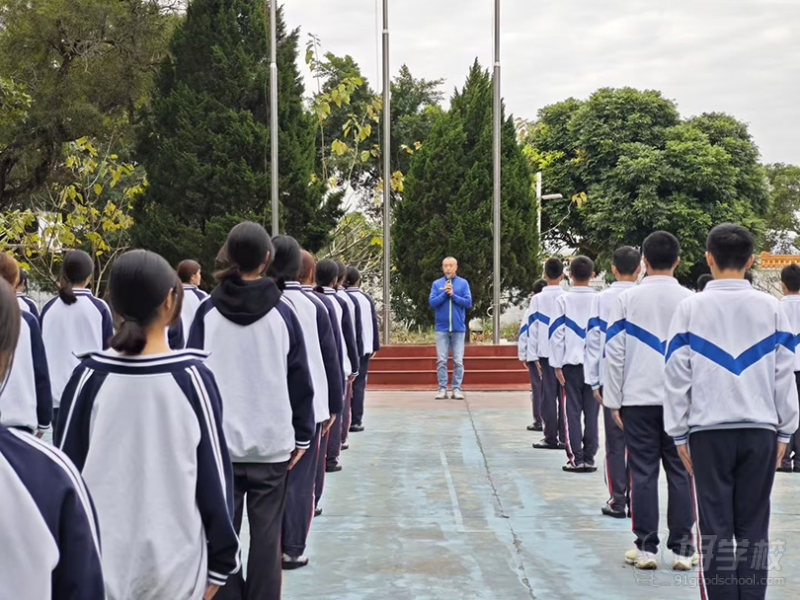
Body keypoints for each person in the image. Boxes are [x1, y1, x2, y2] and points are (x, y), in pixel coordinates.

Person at [57, 249, 240, 600]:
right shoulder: (192, 379)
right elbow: (214, 478)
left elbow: (66, 475)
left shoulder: (88, 378)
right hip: (176, 571)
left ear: (114, 304)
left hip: (100, 569)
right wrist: (222, 561)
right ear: (170, 300)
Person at [665, 224, 799, 599]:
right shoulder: (772, 309)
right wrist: (786, 431)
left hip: (707, 433)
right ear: (751, 260)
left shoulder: (689, 309)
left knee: (715, 531)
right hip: (760, 431)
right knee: (754, 528)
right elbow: (784, 374)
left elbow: (676, 376)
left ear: (708, 258)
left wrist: (678, 433)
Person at [187, 222, 314, 600]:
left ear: (228, 256)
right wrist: (303, 435)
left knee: (221, 535)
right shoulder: (283, 314)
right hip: (270, 444)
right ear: (267, 258)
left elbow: (190, 378)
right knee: (267, 538)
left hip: (219, 448)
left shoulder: (207, 312)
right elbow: (299, 379)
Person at [0, 277, 105, 599]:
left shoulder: (46, 311)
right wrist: (42, 417)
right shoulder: (51, 476)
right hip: (28, 418)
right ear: (6, 356)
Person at [604, 231, 696, 571]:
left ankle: (646, 548)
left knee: (642, 473)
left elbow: (614, 353)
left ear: (644, 261)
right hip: (681, 402)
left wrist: (614, 400)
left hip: (638, 399)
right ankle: (683, 550)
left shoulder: (627, 300)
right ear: (678, 260)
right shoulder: (691, 300)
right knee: (681, 472)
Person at [268, 236, 342, 570]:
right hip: (310, 406)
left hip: (270, 407)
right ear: (308, 273)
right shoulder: (316, 306)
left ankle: (266, 549)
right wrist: (334, 405)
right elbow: (331, 357)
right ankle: (293, 547)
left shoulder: (263, 303)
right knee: (300, 481)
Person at [584, 246, 641, 518]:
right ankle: (639, 499)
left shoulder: (602, 299)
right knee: (641, 444)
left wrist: (594, 380)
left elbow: (594, 341)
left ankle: (618, 499)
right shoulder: (643, 296)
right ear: (639, 269)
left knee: (615, 441)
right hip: (642, 379)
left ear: (613, 269)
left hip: (611, 378)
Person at [40, 249, 112, 428]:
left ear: (64, 274)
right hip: (87, 395)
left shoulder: (49, 308)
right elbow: (109, 353)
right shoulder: (99, 308)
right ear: (89, 276)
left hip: (55, 396)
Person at [298, 250, 343, 516]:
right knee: (308, 463)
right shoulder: (317, 305)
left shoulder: (213, 306)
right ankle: (310, 502)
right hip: (311, 397)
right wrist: (334, 403)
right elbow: (333, 352)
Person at [549, 256, 598, 472]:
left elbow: (556, 334)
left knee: (572, 412)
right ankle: (590, 456)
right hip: (594, 366)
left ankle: (576, 458)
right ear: (593, 275)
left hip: (571, 365)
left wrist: (556, 364)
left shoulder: (563, 301)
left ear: (569, 275)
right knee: (592, 414)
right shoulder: (599, 300)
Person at [0, 254, 52, 435]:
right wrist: (44, 420)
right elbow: (40, 371)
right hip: (19, 419)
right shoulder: (27, 322)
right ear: (16, 281)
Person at [315, 258, 358, 472]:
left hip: (314, 366)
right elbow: (347, 338)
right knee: (336, 411)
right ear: (335, 280)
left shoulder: (312, 300)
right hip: (336, 364)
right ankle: (331, 456)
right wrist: (353, 365)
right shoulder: (338, 303)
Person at [530, 258, 566, 450]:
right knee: (565, 397)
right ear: (562, 275)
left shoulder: (537, 299)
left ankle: (550, 436)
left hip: (545, 354)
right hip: (564, 355)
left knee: (548, 397)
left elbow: (532, 328)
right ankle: (565, 436)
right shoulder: (567, 297)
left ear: (545, 275)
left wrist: (533, 356)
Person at [429, 256, 472, 400]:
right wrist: (444, 294)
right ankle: (442, 388)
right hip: (441, 329)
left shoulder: (463, 283)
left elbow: (468, 302)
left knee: (458, 360)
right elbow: (432, 302)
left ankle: (456, 388)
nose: (448, 268)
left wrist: (453, 295)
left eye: (450, 265)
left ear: (456, 267)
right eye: (445, 265)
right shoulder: (437, 284)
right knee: (441, 360)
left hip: (458, 329)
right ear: (442, 268)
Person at [345, 266, 380, 432]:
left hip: (347, 348)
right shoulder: (366, 298)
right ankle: (356, 420)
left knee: (346, 385)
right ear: (358, 281)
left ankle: (344, 421)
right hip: (364, 348)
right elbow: (373, 323)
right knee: (359, 385)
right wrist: (374, 345)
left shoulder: (342, 298)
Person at [335, 260, 361, 445]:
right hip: (342, 359)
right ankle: (340, 440)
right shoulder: (342, 302)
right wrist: (355, 363)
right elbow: (352, 333)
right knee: (342, 399)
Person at [778, 263, 800, 473]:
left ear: (782, 285)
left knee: (783, 409)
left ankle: (783, 459)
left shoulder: (775, 308)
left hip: (783, 367)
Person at [519, 279, 547, 431]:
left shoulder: (531, 310)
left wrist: (523, 354)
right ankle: (555, 421)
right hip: (554, 355)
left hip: (535, 354)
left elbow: (524, 332)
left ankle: (539, 420)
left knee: (537, 388)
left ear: (533, 293)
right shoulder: (558, 305)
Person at [178, 259, 210, 337]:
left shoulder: (171, 294)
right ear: (192, 277)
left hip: (174, 340)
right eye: (199, 273)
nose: (200, 276)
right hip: (194, 339)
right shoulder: (202, 296)